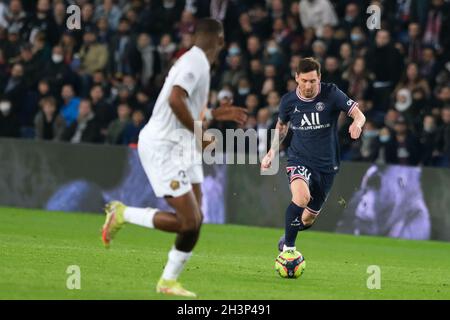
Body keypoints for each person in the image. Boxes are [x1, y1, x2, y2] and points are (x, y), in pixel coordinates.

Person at [100, 18, 247, 297]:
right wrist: (201, 132)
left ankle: (168, 282)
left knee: (196, 219)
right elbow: (175, 100)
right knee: (188, 222)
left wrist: (214, 115)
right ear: (221, 40)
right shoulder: (195, 62)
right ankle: (122, 213)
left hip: (183, 147)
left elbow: (186, 105)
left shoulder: (196, 62)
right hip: (164, 145)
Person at [260, 57, 366, 253]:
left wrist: (356, 124)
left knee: (307, 219)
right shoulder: (288, 101)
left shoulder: (332, 93)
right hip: (299, 159)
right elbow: (281, 127)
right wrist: (271, 152)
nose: (308, 85)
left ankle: (288, 234)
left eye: (312, 81)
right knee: (301, 198)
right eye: (304, 81)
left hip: (327, 166)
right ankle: (289, 251)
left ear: (319, 78)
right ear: (296, 78)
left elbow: (359, 114)